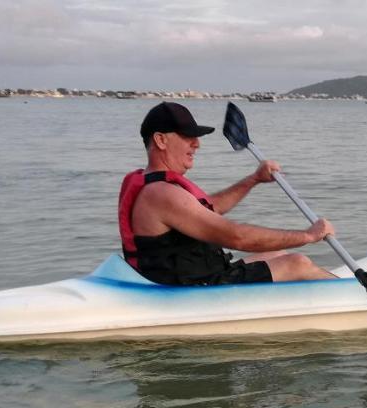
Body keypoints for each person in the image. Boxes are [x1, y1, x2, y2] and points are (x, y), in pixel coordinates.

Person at [119, 101, 335, 286]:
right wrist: (308, 236)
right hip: (193, 289)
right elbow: (237, 237)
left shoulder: (155, 186)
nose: (197, 144)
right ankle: (358, 298)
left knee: (280, 255)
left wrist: (254, 179)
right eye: (188, 136)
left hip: (199, 277)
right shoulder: (162, 193)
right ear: (161, 140)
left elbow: (210, 207)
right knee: (297, 263)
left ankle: (336, 289)